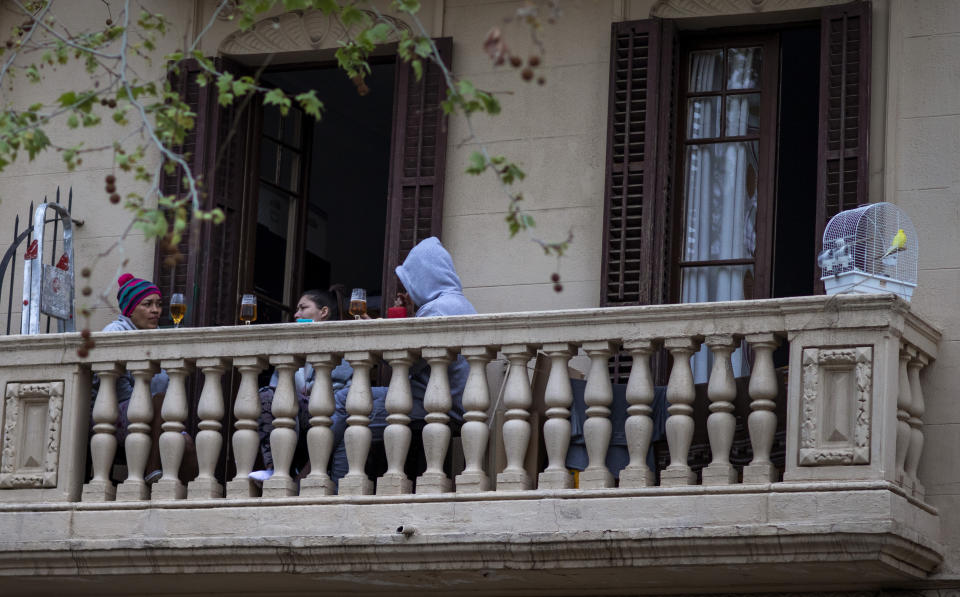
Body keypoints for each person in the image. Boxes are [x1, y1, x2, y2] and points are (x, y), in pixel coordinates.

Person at [330, 236, 477, 481]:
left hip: (436, 404)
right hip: (434, 397)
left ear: (424, 277)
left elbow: (406, 360)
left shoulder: (436, 310)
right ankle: (320, 469)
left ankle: (327, 480)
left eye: (410, 282)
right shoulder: (457, 303)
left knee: (348, 419)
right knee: (344, 399)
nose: (407, 290)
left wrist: (379, 331)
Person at [91, 273, 196, 483]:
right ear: (130, 309)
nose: (155, 310)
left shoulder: (157, 335)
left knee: (187, 444)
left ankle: (183, 498)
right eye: (147, 304)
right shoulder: (115, 332)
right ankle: (151, 470)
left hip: (155, 417)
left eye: (158, 304)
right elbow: (112, 388)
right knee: (158, 401)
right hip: (117, 415)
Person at [256, 288, 354, 478]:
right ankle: (275, 470)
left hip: (331, 414)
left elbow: (348, 393)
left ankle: (302, 472)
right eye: (297, 309)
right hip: (297, 414)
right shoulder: (291, 348)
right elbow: (277, 388)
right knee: (266, 395)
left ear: (323, 312)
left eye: (303, 308)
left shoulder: (340, 345)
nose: (296, 314)